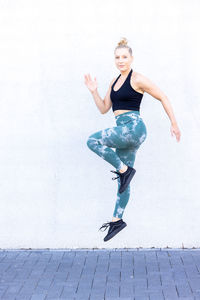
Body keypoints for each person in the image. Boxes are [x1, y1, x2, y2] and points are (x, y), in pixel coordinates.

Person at [84, 37, 181, 242]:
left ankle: (124, 170)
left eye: (124, 57)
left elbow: (163, 96)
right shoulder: (114, 81)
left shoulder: (137, 79)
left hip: (134, 128)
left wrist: (174, 123)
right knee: (123, 182)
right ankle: (117, 219)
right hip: (123, 131)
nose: (121, 61)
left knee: (93, 141)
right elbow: (103, 109)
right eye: (117, 57)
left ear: (131, 58)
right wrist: (94, 91)